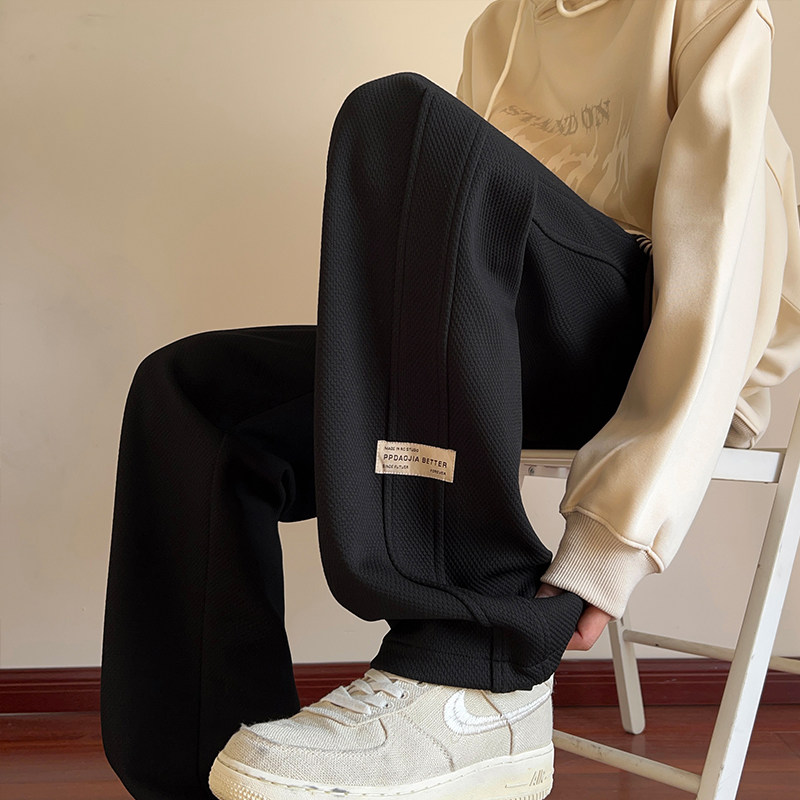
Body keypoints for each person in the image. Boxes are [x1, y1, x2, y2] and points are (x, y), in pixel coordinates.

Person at [101, 1, 800, 799]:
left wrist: (613, 541)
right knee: (195, 392)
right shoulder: (505, 25)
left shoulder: (712, 9)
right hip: (506, 351)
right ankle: (198, 773)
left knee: (404, 118)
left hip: (654, 352)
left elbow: (721, 269)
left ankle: (473, 665)